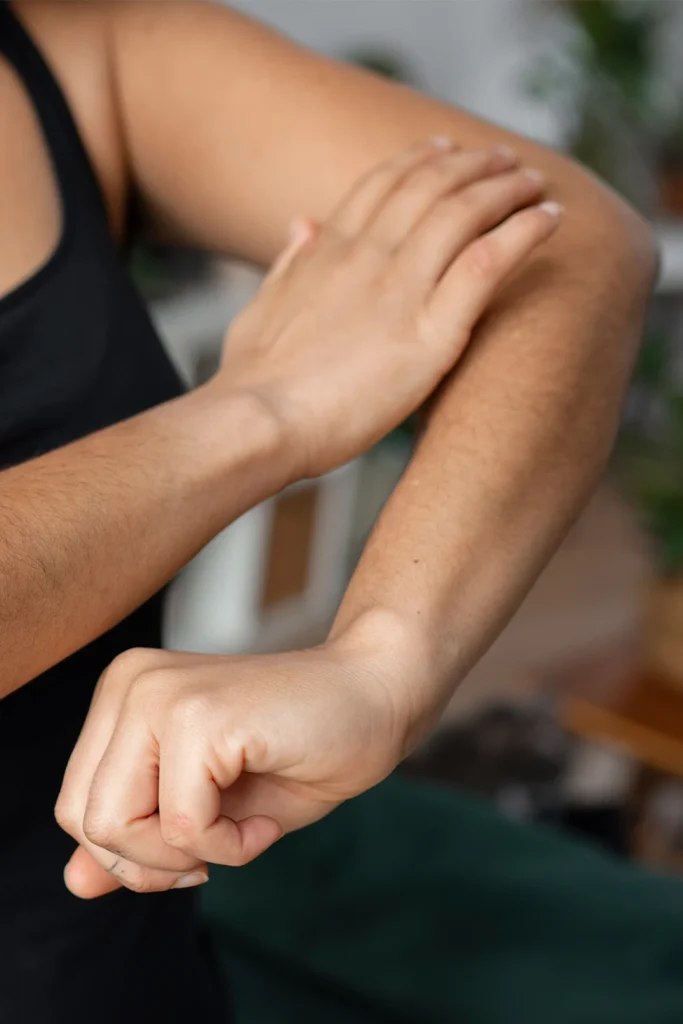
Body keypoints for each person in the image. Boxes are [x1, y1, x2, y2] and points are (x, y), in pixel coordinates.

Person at [0, 1, 656, 1021]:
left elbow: (569, 245)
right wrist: (256, 414)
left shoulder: (82, 49)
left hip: (117, 970)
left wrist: (383, 661)